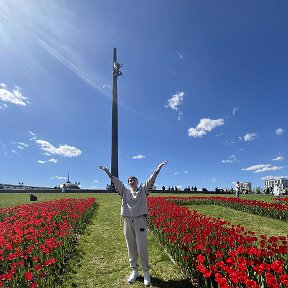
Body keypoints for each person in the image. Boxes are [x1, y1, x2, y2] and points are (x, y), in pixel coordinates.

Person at [99, 160, 168, 286]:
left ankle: (146, 272)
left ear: (137, 182)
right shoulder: (124, 192)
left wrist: (158, 169)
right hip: (127, 220)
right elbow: (116, 182)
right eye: (130, 181)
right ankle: (134, 271)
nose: (132, 182)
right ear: (128, 183)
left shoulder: (143, 190)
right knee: (130, 247)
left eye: (134, 180)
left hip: (140, 220)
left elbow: (151, 179)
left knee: (142, 247)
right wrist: (107, 172)